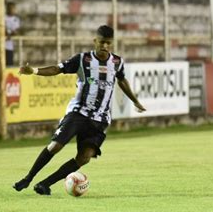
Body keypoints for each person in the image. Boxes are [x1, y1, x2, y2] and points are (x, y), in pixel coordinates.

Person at [13, 25, 146, 195]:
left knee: (85, 157)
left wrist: (135, 101)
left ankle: (45, 184)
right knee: (55, 146)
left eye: (108, 43)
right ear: (95, 41)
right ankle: (28, 178)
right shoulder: (82, 60)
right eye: (102, 42)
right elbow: (57, 69)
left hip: (100, 119)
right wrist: (34, 71)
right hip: (79, 113)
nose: (104, 46)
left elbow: (122, 80)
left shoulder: (117, 62)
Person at [5, 2, 20, 67]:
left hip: (10, 47)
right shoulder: (3, 18)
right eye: (10, 8)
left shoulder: (16, 19)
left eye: (13, 8)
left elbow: (16, 32)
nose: (12, 10)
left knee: (9, 65)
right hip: (1, 46)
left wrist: (9, 34)